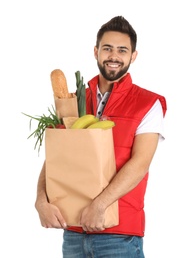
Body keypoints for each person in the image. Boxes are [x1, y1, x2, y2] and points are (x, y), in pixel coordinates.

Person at [35, 16, 167, 257]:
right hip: (73, 232)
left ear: (133, 56)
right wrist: (40, 201)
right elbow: (56, 157)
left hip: (119, 234)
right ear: (96, 52)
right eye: (107, 48)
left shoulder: (148, 104)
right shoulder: (73, 102)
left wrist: (99, 205)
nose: (113, 56)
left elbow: (140, 164)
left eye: (122, 50)